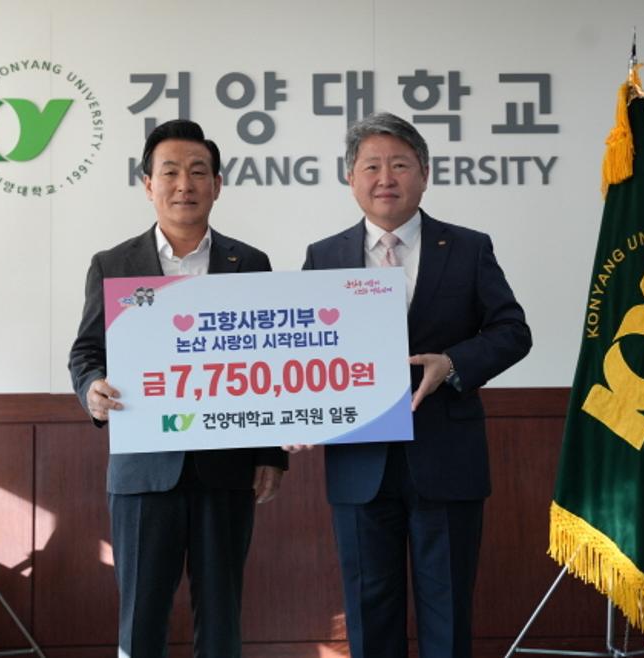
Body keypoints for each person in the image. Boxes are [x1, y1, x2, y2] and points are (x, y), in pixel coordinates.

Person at [300, 113, 531, 658]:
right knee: (368, 615)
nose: (386, 178)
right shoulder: (323, 257)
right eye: (371, 166)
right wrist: (293, 410)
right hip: (359, 462)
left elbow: (512, 332)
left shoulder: (469, 248)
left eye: (400, 165)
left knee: (446, 614)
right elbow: (305, 351)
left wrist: (451, 363)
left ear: (424, 174)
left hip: (446, 458)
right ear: (350, 178)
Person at [68, 119, 287, 658]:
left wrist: (271, 453)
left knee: (221, 614)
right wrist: (92, 388)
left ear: (217, 184)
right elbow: (86, 352)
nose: (184, 184)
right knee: (141, 616)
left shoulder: (249, 264)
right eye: (170, 172)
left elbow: (270, 361)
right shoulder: (114, 265)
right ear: (148, 184)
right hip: (144, 470)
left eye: (197, 172)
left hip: (227, 468)